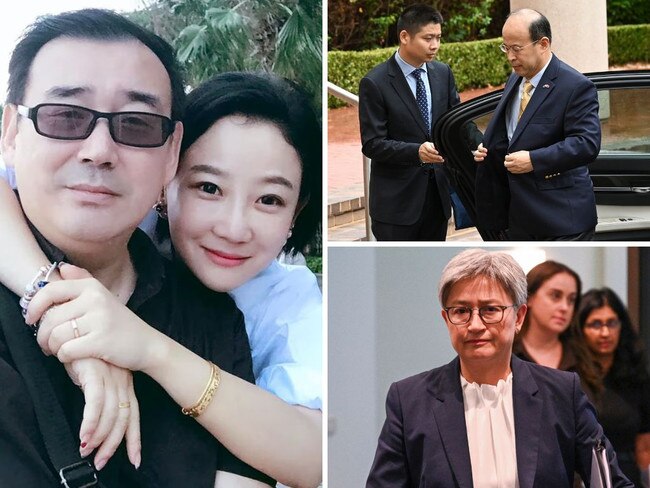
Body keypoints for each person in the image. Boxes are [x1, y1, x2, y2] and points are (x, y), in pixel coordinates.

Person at [0, 9, 320, 488]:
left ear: (168, 154)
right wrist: (52, 301)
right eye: (66, 116)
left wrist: (147, 348)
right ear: (11, 132)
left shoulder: (238, 320)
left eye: (137, 124)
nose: (98, 149)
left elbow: (310, 456)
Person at [366, 249, 631, 487]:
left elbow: (610, 481)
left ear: (519, 317)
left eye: (490, 309)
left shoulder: (562, 392)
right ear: (446, 319)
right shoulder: (410, 399)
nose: (475, 325)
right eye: (461, 311)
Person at [473, 8, 601, 240]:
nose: (510, 56)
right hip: (517, 218)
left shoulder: (575, 86)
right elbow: (513, 133)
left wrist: (534, 160)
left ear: (543, 44)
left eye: (517, 49)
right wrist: (489, 150)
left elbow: (586, 144)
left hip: (561, 219)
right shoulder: (515, 78)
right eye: (505, 48)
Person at [358, 4, 480, 241]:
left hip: (437, 198)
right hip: (396, 206)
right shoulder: (375, 83)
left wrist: (480, 143)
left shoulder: (442, 73)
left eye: (438, 38)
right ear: (405, 36)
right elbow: (372, 143)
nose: (435, 45)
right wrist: (417, 152)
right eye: (428, 38)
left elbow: (459, 120)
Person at [576, 287, 650, 486]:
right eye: (595, 324)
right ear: (581, 328)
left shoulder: (636, 375)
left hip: (628, 476)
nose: (605, 332)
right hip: (584, 476)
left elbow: (644, 444)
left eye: (612, 323)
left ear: (621, 326)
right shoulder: (571, 375)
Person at [513, 260, 601, 398]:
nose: (564, 307)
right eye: (555, 296)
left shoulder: (583, 357)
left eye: (571, 300)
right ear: (529, 298)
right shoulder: (508, 353)